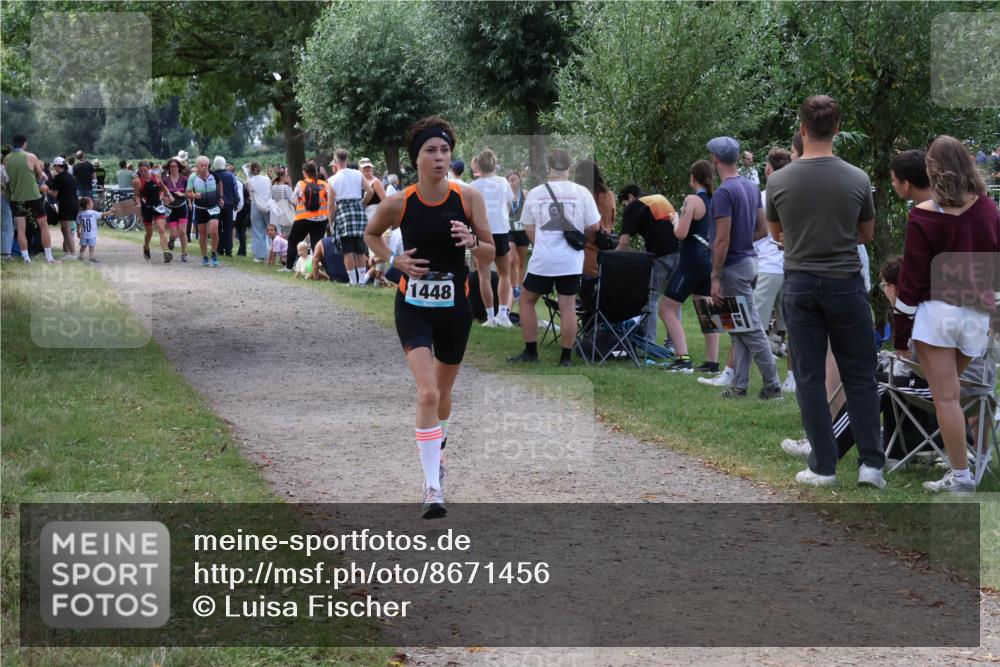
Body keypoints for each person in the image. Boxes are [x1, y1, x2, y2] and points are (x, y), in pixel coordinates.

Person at [363, 115, 495, 519]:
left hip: (455, 308)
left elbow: (491, 251)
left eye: (445, 151)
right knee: (427, 394)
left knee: (443, 393)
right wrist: (394, 259)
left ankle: (438, 451)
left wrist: (473, 242)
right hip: (413, 306)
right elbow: (371, 235)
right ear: (415, 159)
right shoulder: (399, 202)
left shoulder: (468, 198)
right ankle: (432, 486)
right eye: (431, 151)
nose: (440, 158)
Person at [766, 95, 884, 488]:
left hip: (800, 281)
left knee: (810, 376)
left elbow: (776, 233)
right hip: (845, 281)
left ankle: (823, 466)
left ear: (802, 129)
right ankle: (871, 465)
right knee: (860, 375)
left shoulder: (779, 181)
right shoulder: (857, 178)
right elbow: (866, 234)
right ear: (837, 129)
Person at [894, 135, 1000, 494]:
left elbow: (912, 278)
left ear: (933, 169)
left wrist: (900, 330)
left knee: (946, 397)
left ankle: (961, 475)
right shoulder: (989, 209)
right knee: (954, 394)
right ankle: (966, 463)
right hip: (975, 316)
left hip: (937, 314)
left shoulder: (923, 214)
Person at [509, 149, 601, 367]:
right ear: (570, 167)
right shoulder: (582, 192)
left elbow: (528, 227)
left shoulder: (536, 193)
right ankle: (566, 357)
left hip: (543, 259)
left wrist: (540, 244)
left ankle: (531, 352)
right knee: (567, 306)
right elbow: (595, 226)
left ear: (548, 167)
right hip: (571, 260)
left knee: (527, 301)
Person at [706, 135, 782, 400]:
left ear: (715, 159)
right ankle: (739, 386)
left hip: (733, 266)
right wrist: (740, 240)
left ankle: (773, 386)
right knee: (737, 328)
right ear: (736, 158)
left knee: (750, 330)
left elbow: (722, 239)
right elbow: (762, 230)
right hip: (750, 262)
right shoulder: (750, 187)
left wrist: (715, 276)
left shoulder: (723, 192)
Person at [659, 160, 721, 374]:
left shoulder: (692, 200)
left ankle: (683, 359)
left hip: (692, 260)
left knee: (666, 308)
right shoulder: (716, 200)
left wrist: (675, 220)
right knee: (707, 309)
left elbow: (681, 234)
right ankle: (712, 363)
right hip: (709, 259)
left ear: (693, 177)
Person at [616, 184, 681, 348]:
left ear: (629, 197)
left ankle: (649, 342)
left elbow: (624, 242)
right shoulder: (659, 199)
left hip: (660, 256)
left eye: (624, 203)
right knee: (673, 301)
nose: (625, 207)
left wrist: (611, 256)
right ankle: (673, 344)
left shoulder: (634, 206)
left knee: (650, 299)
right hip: (680, 252)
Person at [753, 148, 794, 391]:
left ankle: (739, 374)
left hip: (769, 265)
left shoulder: (763, 196)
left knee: (753, 324)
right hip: (789, 264)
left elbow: (757, 231)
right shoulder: (794, 193)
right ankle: (792, 376)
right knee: (787, 322)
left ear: (769, 168)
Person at [468, 148, 516, 327]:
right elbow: (509, 204)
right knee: (504, 274)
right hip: (501, 230)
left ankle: (490, 317)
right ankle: (502, 314)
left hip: (481, 232)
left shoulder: (472, 186)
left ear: (478, 166)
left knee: (484, 276)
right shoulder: (503, 182)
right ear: (495, 164)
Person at [3, 134, 57, 263]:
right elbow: (40, 176)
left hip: (16, 198)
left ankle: (26, 258)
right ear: (25, 143)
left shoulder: (6, 159)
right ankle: (49, 257)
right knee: (43, 226)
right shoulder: (31, 156)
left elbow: (7, 179)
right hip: (33, 197)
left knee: (21, 229)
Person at [576, 159, 617, 320]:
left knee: (586, 300)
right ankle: (597, 327)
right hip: (606, 251)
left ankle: (587, 329)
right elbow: (612, 220)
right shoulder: (609, 196)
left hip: (585, 252)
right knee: (599, 299)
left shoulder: (581, 196)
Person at [329, 149, 371, 285]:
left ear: (335, 161)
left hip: (343, 213)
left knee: (347, 250)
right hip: (358, 211)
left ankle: (353, 282)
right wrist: (362, 203)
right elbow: (370, 191)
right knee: (360, 250)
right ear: (347, 159)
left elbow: (331, 205)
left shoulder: (332, 179)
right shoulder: (358, 174)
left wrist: (331, 223)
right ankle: (362, 282)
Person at [286, 163, 329, 273]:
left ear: (304, 172)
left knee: (293, 241)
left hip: (303, 218)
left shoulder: (301, 184)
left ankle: (289, 267)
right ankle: (323, 268)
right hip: (321, 220)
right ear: (316, 172)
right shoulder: (324, 184)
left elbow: (293, 200)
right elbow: (330, 199)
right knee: (317, 245)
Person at [185, 155, 223, 267]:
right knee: (202, 234)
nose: (204, 167)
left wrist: (221, 197)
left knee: (214, 231)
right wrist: (193, 195)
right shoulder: (193, 177)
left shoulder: (214, 175)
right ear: (197, 166)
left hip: (213, 207)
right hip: (200, 209)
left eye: (206, 165)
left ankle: (214, 254)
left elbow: (220, 184)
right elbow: (187, 193)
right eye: (201, 165)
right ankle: (205, 256)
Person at [133, 160, 172, 263]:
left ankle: (166, 252)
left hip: (158, 205)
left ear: (149, 169)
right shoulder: (137, 181)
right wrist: (138, 204)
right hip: (146, 207)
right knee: (149, 233)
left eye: (145, 170)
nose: (143, 173)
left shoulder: (157, 176)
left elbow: (163, 187)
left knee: (161, 228)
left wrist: (169, 195)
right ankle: (146, 246)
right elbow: (137, 195)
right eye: (140, 171)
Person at [47, 157, 79, 258]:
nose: (54, 168)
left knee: (67, 230)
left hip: (65, 205)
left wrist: (46, 190)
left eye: (54, 166)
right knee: (64, 230)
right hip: (74, 204)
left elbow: (54, 194)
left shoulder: (58, 177)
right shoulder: (71, 177)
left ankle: (73, 254)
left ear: (58, 166)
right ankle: (67, 253)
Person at [506, 170, 531, 304]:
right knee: (512, 259)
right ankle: (511, 288)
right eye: (511, 180)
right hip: (509, 230)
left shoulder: (525, 194)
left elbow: (531, 211)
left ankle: (518, 288)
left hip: (522, 230)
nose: (513, 182)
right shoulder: (506, 195)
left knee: (521, 261)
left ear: (519, 180)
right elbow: (504, 213)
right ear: (507, 182)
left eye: (515, 179)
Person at [161, 158, 190, 262]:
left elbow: (189, 193)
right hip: (170, 209)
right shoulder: (165, 179)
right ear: (168, 168)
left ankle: (184, 253)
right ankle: (171, 240)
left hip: (182, 208)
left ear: (179, 168)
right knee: (174, 234)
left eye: (175, 166)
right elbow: (161, 194)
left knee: (182, 231)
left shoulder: (185, 179)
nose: (173, 168)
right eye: (171, 167)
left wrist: (183, 194)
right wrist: (165, 199)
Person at [212, 156, 239, 257]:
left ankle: (219, 249)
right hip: (228, 205)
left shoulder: (212, 175)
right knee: (228, 228)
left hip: (215, 205)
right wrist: (236, 203)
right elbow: (235, 191)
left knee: (217, 228)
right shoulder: (231, 176)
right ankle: (228, 251)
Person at [245, 162, 271, 263]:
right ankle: (272, 253)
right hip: (267, 205)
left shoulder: (249, 181)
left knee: (258, 230)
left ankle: (260, 256)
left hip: (255, 205)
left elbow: (250, 194)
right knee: (270, 229)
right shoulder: (267, 179)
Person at [76, 196, 109, 262]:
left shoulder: (80, 214)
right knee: (91, 246)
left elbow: (78, 223)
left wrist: (78, 232)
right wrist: (111, 211)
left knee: (83, 246)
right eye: (91, 203)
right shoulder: (92, 213)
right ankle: (91, 258)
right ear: (87, 205)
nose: (92, 204)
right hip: (92, 234)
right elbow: (103, 214)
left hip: (83, 234)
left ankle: (80, 256)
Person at [360, 157, 387, 222]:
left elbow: (384, 199)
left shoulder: (375, 181)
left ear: (371, 168)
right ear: (360, 169)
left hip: (374, 213)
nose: (366, 169)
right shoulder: (359, 182)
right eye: (364, 167)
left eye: (368, 167)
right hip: (363, 214)